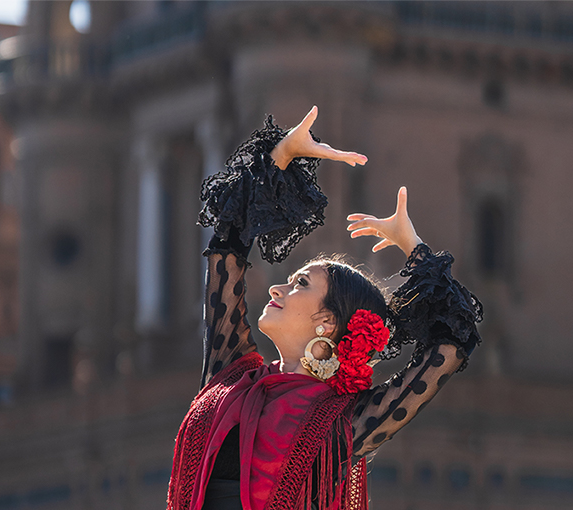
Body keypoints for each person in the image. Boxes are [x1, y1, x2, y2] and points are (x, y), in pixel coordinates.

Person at [167, 107, 483, 510]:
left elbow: (450, 347)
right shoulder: (230, 377)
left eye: (300, 283)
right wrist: (279, 157)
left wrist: (416, 251)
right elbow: (226, 252)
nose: (278, 287)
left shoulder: (341, 422)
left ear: (327, 321)